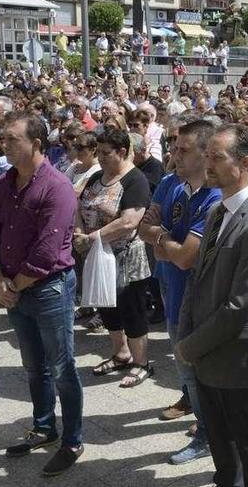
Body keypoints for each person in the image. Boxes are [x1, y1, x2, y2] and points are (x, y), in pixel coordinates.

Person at [175, 124, 248, 487]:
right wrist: (186, 330)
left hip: (236, 357)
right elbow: (197, 279)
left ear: (246, 162)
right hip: (206, 351)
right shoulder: (216, 212)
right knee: (220, 442)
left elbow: (241, 305)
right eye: (206, 156)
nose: (208, 164)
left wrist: (191, 345)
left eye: (216, 157)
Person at [0, 113, 84, 476]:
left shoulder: (56, 187)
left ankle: (72, 439)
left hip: (48, 289)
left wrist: (12, 287)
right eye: (2, 138)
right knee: (33, 366)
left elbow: (46, 251)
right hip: (14, 289)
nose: (3, 144)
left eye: (12, 139)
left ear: (36, 144)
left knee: (62, 367)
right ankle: (44, 427)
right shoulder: (6, 182)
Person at [138, 119, 222, 464]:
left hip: (201, 302)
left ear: (207, 153)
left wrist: (161, 238)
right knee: (187, 371)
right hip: (172, 292)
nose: (173, 154)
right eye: (173, 147)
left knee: (200, 372)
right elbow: (144, 228)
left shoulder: (215, 197)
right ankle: (206, 427)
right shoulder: (172, 184)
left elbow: (187, 257)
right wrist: (163, 239)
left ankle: (209, 435)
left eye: (183, 149)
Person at [76, 128, 153, 388]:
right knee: (107, 306)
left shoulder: (135, 180)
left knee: (131, 309)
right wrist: (79, 230)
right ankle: (121, 353)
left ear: (122, 152)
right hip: (97, 253)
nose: (100, 158)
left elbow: (129, 221)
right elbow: (80, 203)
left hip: (126, 257)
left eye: (106, 153)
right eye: (98, 152)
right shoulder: (98, 176)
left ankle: (141, 362)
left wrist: (93, 236)